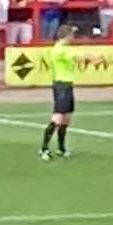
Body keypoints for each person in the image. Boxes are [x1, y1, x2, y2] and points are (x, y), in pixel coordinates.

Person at [39, 25, 79, 160]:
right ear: (67, 36)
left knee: (66, 118)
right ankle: (44, 148)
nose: (73, 37)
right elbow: (78, 58)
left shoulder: (62, 49)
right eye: (72, 35)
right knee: (58, 117)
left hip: (67, 85)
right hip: (62, 85)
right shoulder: (60, 50)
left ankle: (61, 148)